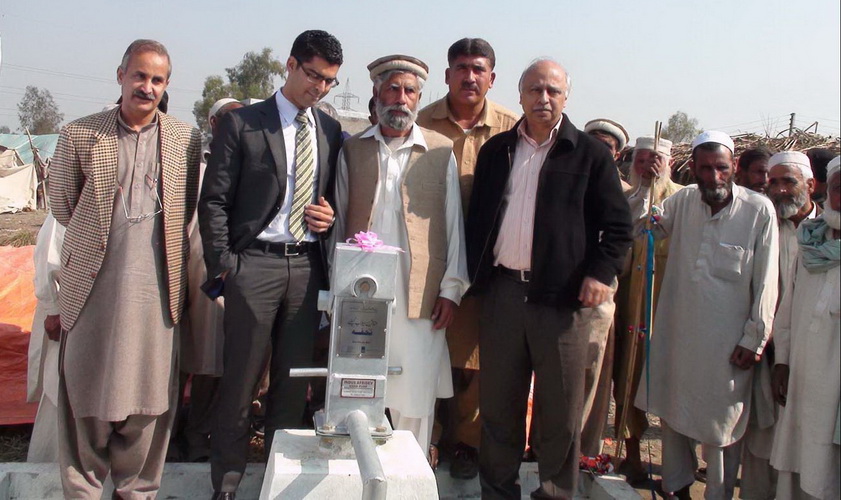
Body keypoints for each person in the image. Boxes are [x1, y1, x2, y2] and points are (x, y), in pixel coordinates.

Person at [466, 58, 632, 499]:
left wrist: (600, 272)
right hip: (502, 294)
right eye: (535, 90)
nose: (543, 99)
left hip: (561, 304)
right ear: (519, 95)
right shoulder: (497, 150)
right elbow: (478, 218)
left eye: (553, 91)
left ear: (565, 97)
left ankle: (555, 492)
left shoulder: (591, 155)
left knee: (560, 415)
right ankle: (497, 491)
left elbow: (618, 228)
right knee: (499, 408)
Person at [49, 39, 201, 498]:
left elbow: (187, 206)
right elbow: (61, 203)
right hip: (92, 288)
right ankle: (83, 489)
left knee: (150, 398)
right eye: (139, 76)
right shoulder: (80, 134)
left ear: (167, 85)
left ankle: (137, 490)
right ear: (120, 76)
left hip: (156, 290)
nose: (147, 87)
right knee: (86, 391)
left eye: (157, 80)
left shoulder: (185, 138)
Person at [198, 30, 343, 499]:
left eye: (329, 82)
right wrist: (225, 267)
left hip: (306, 269)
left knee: (291, 381)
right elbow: (214, 201)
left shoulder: (329, 130)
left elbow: (330, 198)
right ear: (291, 65)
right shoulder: (244, 125)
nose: (319, 88)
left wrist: (328, 216)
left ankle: (280, 477)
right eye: (314, 76)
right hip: (253, 266)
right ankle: (227, 481)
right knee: (240, 380)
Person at [334, 53, 470, 461]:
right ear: (376, 93)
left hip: (420, 294)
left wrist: (452, 290)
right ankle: (361, 472)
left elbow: (453, 225)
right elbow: (340, 220)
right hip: (361, 291)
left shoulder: (440, 151)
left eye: (410, 91)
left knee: (414, 393)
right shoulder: (352, 149)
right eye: (393, 88)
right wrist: (334, 292)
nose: (401, 98)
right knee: (359, 385)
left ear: (419, 98)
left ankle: (410, 474)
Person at [630, 131, 779, 499]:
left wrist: (753, 338)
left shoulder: (759, 209)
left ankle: (716, 494)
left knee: (721, 425)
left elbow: (766, 282)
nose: (713, 177)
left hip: (727, 345)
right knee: (675, 414)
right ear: (692, 168)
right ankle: (677, 487)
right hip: (679, 335)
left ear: (734, 168)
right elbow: (641, 229)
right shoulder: (682, 201)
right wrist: (647, 187)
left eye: (721, 168)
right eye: (705, 169)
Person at [416, 37, 519, 479]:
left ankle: (468, 445)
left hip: (488, 264)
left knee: (477, 362)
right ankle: (428, 437)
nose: (470, 76)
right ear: (447, 74)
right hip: (430, 259)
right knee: (428, 351)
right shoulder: (421, 122)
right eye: (461, 67)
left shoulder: (513, 128)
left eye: (479, 69)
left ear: (492, 78)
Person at [177, 98, 245, 463]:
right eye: (226, 120)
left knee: (211, 360)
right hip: (184, 266)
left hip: (220, 271)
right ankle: (168, 434)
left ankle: (197, 433)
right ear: (212, 123)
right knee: (178, 360)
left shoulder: (244, 160)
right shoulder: (195, 162)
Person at [612, 135, 681, 484]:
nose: (647, 167)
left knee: (673, 385)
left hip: (668, 312)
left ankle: (676, 467)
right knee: (626, 378)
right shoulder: (623, 200)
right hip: (629, 308)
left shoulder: (683, 200)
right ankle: (632, 454)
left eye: (655, 160)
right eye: (641, 160)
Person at [770, 156, 840, 500]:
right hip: (801, 373)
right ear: (828, 191)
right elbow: (788, 308)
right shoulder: (809, 241)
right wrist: (781, 361)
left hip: (837, 381)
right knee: (796, 465)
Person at [25, 213, 65, 463]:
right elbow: (47, 259)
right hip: (64, 309)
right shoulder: (62, 212)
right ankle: (49, 461)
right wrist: (53, 310)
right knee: (58, 384)